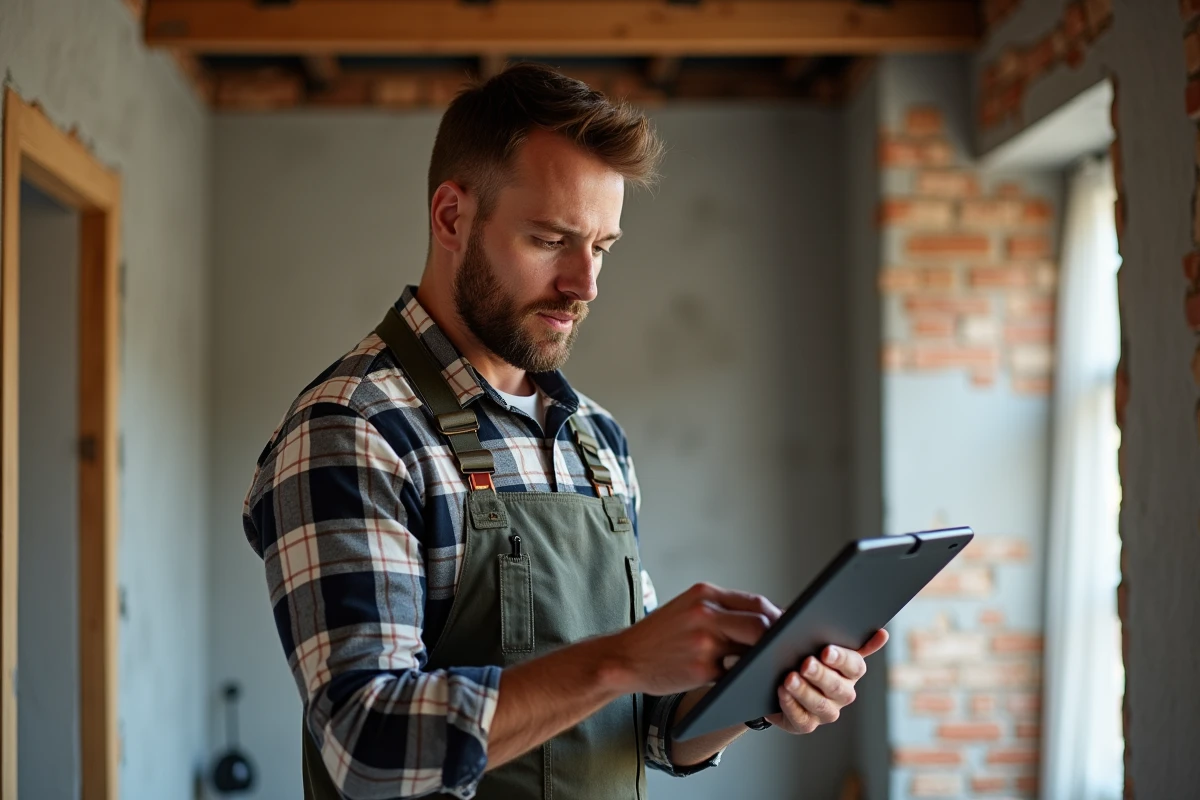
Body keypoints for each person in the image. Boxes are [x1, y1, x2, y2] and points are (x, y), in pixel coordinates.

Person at [242, 63, 888, 800]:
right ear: (452, 217)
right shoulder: (353, 429)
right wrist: (618, 660)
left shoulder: (595, 438)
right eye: (552, 239)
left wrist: (753, 694)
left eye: (602, 246)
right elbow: (366, 746)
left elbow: (644, 729)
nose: (586, 285)